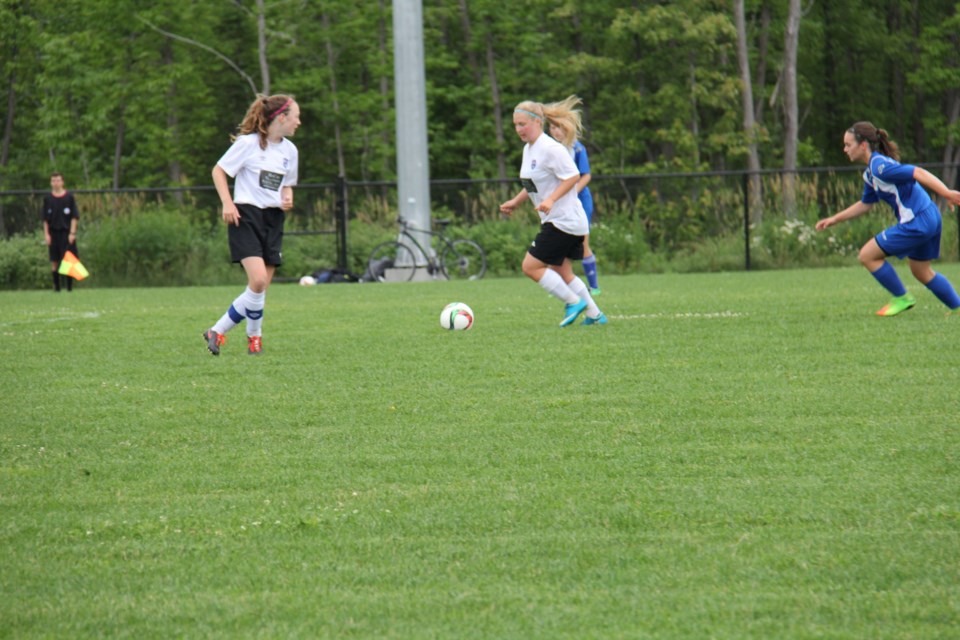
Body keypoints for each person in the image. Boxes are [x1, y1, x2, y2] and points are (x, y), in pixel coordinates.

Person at [815, 121, 960, 316]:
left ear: (863, 145)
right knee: (921, 272)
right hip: (930, 217)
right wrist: (834, 219)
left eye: (848, 145)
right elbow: (865, 204)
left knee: (867, 255)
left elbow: (918, 172)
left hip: (918, 221)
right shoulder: (871, 174)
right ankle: (958, 306)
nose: (845, 149)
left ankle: (902, 297)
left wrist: (946, 193)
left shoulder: (879, 166)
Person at [203, 94, 301, 355]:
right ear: (281, 117)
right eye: (295, 116)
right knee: (257, 281)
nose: (298, 122)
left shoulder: (290, 150)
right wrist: (227, 203)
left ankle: (250, 338)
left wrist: (287, 195)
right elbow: (219, 171)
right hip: (246, 216)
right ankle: (221, 330)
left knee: (260, 287)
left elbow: (287, 183)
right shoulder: (248, 144)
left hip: (273, 219)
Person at [499, 98, 606, 327]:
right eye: (516, 125)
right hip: (560, 220)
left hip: (563, 221)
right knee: (561, 270)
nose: (519, 129)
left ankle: (572, 301)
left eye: (523, 124)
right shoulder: (530, 150)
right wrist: (516, 202)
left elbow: (573, 175)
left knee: (530, 266)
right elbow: (531, 183)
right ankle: (595, 314)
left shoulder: (550, 148)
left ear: (538, 122)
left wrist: (551, 199)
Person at [546, 96, 601, 296]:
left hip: (579, 200)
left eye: (559, 127)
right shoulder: (550, 150)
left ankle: (594, 287)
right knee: (559, 244)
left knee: (583, 242)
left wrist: (572, 192)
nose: (555, 131)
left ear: (567, 128)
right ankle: (561, 285)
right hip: (560, 202)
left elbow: (585, 175)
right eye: (552, 128)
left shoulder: (577, 148)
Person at [41, 172, 80, 292]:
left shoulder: (69, 198)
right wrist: (46, 234)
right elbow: (45, 219)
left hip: (66, 233)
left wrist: (72, 233)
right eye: (53, 181)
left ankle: (69, 288)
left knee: (68, 260)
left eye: (58, 180)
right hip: (53, 233)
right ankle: (57, 287)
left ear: (62, 182)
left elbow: (74, 216)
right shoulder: (48, 199)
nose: (56, 183)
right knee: (55, 260)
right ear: (51, 183)